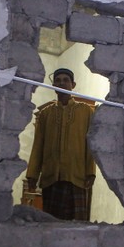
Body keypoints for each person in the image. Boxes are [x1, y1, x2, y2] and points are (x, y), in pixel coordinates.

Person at [26, 68, 96, 221]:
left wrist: (91, 171)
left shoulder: (86, 112)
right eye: (58, 80)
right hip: (51, 178)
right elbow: (38, 145)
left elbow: (91, 143)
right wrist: (32, 175)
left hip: (77, 177)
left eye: (65, 80)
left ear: (73, 84)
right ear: (53, 85)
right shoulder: (45, 114)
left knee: (77, 225)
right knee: (51, 223)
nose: (61, 83)